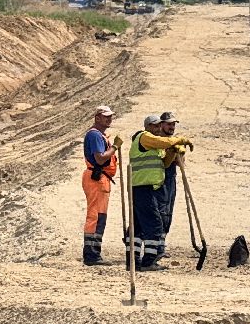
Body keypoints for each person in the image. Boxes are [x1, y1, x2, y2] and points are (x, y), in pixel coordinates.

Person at [128, 113, 194, 270]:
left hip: (149, 186)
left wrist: (173, 152)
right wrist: (180, 140)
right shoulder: (145, 137)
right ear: (148, 127)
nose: (158, 128)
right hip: (144, 187)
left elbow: (165, 164)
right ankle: (149, 261)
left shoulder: (156, 146)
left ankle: (132, 260)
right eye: (156, 126)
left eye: (159, 125)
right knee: (155, 224)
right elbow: (164, 142)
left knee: (138, 225)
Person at [81, 106, 121, 265]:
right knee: (95, 216)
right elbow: (100, 158)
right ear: (97, 118)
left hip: (101, 179)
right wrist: (115, 147)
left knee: (100, 216)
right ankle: (91, 255)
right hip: (96, 178)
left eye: (110, 116)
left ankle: (94, 253)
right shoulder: (95, 135)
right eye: (106, 116)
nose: (109, 119)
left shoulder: (99, 135)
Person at [156, 110, 184, 246]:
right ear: (161, 125)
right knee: (159, 211)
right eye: (169, 124)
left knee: (168, 211)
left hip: (170, 179)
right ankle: (154, 243)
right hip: (157, 179)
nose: (172, 127)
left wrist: (179, 152)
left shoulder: (174, 141)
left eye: (173, 124)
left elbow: (181, 164)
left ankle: (161, 243)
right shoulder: (157, 141)